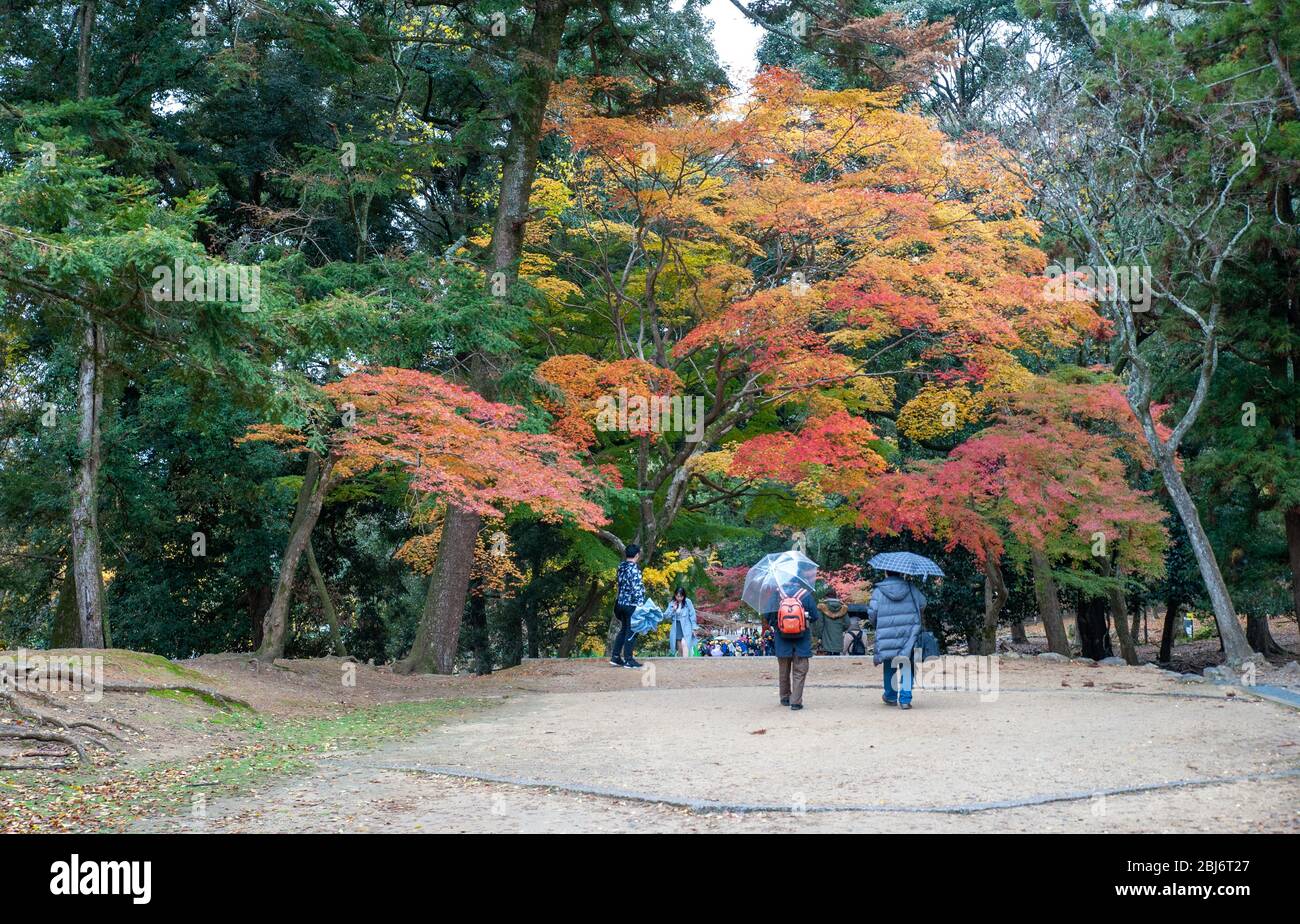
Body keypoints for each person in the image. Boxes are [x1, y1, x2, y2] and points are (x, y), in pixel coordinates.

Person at [867, 570, 925, 709]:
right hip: (909, 633)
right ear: (902, 573)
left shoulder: (878, 591)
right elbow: (923, 604)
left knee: (889, 665)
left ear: (886, 572)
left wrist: (878, 624)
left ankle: (890, 696)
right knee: (907, 664)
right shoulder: (911, 589)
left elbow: (872, 614)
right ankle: (905, 699)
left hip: (887, 633)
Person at [761, 580, 818, 711]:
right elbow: (815, 616)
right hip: (802, 640)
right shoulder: (805, 595)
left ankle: (785, 698)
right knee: (800, 671)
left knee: (783, 671)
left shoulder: (776, 595)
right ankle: (796, 702)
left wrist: (778, 624)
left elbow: (767, 616)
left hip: (782, 640)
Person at [610, 544, 645, 669]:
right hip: (631, 605)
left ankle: (615, 657)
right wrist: (641, 605)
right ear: (637, 555)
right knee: (632, 631)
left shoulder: (621, 567)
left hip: (620, 603)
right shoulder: (634, 569)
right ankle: (628, 660)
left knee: (624, 629)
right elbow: (636, 588)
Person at [666, 587, 697, 657]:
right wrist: (673, 610)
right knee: (679, 645)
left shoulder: (688, 602)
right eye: (677, 596)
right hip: (677, 625)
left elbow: (692, 614)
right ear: (675, 595)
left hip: (687, 625)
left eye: (681, 596)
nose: (679, 598)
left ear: (684, 596)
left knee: (685, 643)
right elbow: (666, 616)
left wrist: (694, 627)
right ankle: (680, 659)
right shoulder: (672, 603)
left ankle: (686, 659)